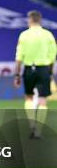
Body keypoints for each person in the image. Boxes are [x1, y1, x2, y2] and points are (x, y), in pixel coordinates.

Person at [14, 10, 56, 139]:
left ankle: (32, 125)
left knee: (29, 97)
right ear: (40, 20)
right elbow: (53, 55)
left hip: (29, 69)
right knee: (43, 100)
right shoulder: (48, 35)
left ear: (30, 20)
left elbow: (19, 56)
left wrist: (17, 74)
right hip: (43, 68)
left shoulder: (24, 35)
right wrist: (49, 71)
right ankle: (39, 131)